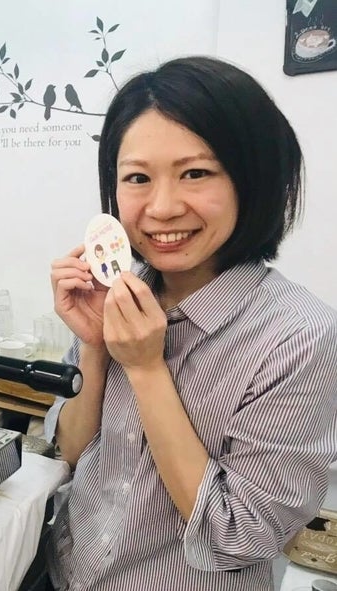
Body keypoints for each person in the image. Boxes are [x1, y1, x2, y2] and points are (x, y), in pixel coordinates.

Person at [45, 56, 337, 590]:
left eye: (196, 173)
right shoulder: (119, 293)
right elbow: (70, 450)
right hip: (67, 573)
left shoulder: (301, 335)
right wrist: (95, 346)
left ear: (253, 179)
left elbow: (237, 535)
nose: (161, 208)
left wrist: (146, 369)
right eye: (138, 178)